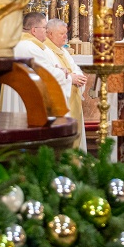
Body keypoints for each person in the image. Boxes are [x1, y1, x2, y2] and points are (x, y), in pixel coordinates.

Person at [2, 12, 72, 112]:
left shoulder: (17, 44)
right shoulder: (31, 47)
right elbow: (47, 74)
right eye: (44, 28)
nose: (46, 31)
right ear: (34, 30)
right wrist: (62, 73)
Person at [45, 19, 88, 152]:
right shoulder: (45, 51)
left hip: (72, 98)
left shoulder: (63, 51)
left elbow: (75, 68)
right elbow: (50, 75)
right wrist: (71, 78)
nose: (65, 37)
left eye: (66, 33)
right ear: (50, 34)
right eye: (61, 34)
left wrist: (78, 77)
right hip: (60, 103)